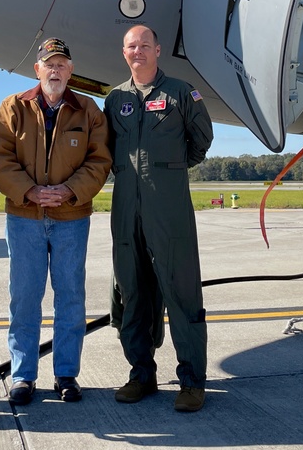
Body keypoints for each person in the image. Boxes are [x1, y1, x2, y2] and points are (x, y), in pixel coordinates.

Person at [0, 38, 111, 405]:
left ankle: (66, 375)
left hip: (71, 217)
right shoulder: (13, 107)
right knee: (24, 298)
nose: (55, 70)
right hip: (24, 217)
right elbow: (0, 156)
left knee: (71, 298)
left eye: (62, 64)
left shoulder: (88, 110)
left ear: (71, 70)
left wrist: (69, 191)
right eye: (49, 64)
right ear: (37, 69)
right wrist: (29, 191)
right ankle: (23, 376)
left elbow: (100, 160)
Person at [104, 25, 214, 413]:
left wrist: (167, 172)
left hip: (168, 207)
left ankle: (192, 382)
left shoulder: (181, 93)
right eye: (131, 47)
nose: (138, 52)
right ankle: (141, 374)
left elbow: (200, 142)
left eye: (144, 45)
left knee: (180, 292)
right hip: (125, 207)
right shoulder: (115, 99)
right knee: (132, 292)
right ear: (124, 53)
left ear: (157, 50)